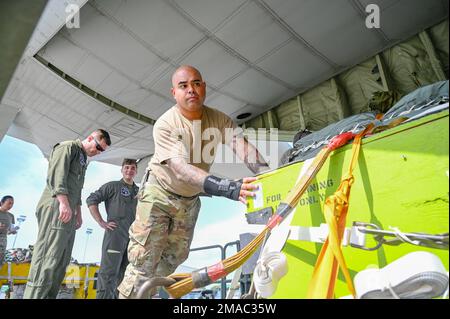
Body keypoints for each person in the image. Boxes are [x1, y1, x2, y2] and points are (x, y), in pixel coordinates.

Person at [117, 65, 270, 299]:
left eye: (196, 83)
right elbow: (180, 169)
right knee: (143, 259)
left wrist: (269, 176)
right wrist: (229, 188)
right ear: (174, 93)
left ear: (204, 87)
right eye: (183, 86)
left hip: (188, 199)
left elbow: (243, 148)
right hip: (159, 194)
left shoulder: (219, 120)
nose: (191, 90)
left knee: (175, 257)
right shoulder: (166, 124)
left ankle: (147, 294)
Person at [23, 129, 111, 299]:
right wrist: (63, 203)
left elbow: (76, 188)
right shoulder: (68, 147)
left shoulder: (83, 158)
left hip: (68, 210)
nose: (98, 152)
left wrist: (78, 212)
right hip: (56, 206)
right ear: (90, 138)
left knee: (60, 259)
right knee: (47, 256)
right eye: (98, 147)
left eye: (102, 151)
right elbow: (57, 176)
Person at [86, 158, 139, 299]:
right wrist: (101, 222)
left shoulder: (139, 192)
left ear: (136, 171)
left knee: (125, 273)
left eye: (132, 168)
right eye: (127, 167)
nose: (129, 170)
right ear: (122, 170)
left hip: (133, 239)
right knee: (108, 272)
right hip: (115, 235)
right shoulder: (113, 186)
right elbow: (91, 200)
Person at [0, 196, 18, 268]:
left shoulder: (11, 216)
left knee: (1, 258)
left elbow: (10, 230)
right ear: (2, 203)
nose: (10, 206)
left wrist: (13, 231)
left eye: (12, 204)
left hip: (3, 240)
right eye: (9, 203)